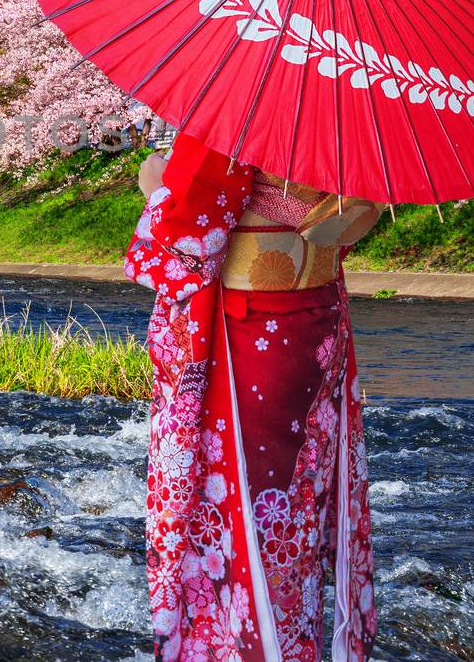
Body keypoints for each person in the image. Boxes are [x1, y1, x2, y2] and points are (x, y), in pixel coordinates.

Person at [126, 133, 381, 662]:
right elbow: (343, 223)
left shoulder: (241, 118)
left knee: (246, 501)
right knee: (294, 500)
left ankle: (248, 647)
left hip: (249, 332)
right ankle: (297, 638)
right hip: (315, 325)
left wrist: (155, 185)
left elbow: (184, 243)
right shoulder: (339, 115)